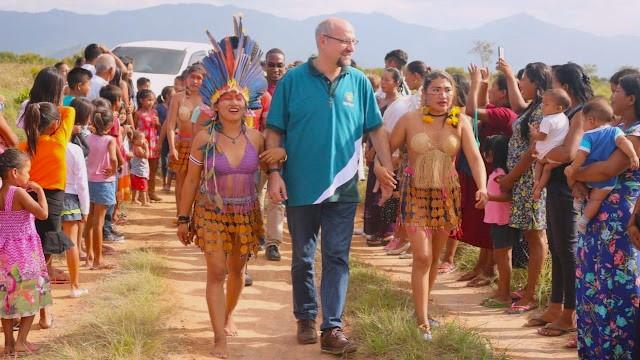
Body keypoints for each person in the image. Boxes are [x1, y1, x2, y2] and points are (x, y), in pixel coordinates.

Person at [266, 17, 395, 355]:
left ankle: (332, 327)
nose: (351, 47)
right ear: (323, 41)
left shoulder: (360, 82)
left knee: (338, 256)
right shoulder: (292, 81)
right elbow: (275, 131)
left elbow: (377, 130)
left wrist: (388, 170)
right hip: (299, 185)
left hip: (344, 186)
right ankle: (306, 316)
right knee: (304, 258)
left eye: (354, 41)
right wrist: (275, 174)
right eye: (345, 41)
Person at [176, 17, 271, 358]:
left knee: (237, 270)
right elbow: (190, 180)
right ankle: (219, 335)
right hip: (212, 211)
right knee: (216, 270)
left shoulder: (257, 139)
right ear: (214, 105)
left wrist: (278, 162)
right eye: (226, 97)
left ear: (248, 104)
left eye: (238, 98)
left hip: (245, 210)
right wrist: (183, 218)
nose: (233, 102)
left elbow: (271, 167)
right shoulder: (204, 138)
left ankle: (228, 314)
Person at [389, 70, 488, 340]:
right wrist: (382, 170)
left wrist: (482, 186)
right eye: (436, 90)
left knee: (434, 256)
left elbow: (475, 157)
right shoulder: (409, 120)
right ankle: (422, 324)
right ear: (424, 94)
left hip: (447, 194)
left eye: (447, 90)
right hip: (415, 193)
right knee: (422, 256)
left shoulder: (461, 121)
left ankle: (422, 310)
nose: (442, 95)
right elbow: (387, 149)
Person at [571, 73, 640, 359]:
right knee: (594, 283)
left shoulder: (635, 134)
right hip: (599, 217)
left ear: (631, 99)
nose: (611, 96)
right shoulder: (614, 127)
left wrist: (574, 173)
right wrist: (576, 175)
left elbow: (604, 171)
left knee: (619, 285)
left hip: (621, 220)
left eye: (617, 91)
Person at [496, 59, 551, 314]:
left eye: (524, 80)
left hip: (529, 179)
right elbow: (519, 106)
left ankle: (531, 294)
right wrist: (508, 74)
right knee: (530, 234)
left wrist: (510, 179)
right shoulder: (534, 108)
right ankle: (529, 288)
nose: (520, 83)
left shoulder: (542, 112)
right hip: (523, 180)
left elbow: (533, 151)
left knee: (536, 235)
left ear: (536, 84)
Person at [454, 64, 518, 280]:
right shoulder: (497, 111)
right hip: (488, 173)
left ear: (504, 93)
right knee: (486, 222)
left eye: (493, 90)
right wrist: (483, 84)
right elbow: (481, 106)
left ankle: (490, 270)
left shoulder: (504, 113)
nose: (490, 94)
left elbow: (472, 111)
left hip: (496, 174)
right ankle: (482, 266)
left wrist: (473, 84)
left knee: (493, 224)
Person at [19, 102, 75, 329]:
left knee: (27, 262)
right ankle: (45, 315)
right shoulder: (58, 140)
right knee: (44, 264)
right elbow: (70, 111)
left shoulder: (24, 146)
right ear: (54, 124)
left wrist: (36, 110)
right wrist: (49, 103)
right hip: (51, 205)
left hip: (27, 200)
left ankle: (26, 312)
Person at [0, 149, 52, 356]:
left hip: (4, 251)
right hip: (22, 252)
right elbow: (43, 214)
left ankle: (9, 344)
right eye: (27, 172)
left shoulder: (1, 192)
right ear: (14, 172)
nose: (29, 176)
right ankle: (22, 341)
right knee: (31, 294)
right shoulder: (18, 193)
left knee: (7, 297)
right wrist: (40, 192)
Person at [566, 98, 639, 231]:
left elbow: (582, 155)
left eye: (617, 92)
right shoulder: (615, 131)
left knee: (580, 185)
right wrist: (632, 155)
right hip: (608, 185)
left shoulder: (588, 136)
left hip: (612, 202)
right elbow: (624, 143)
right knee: (596, 200)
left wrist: (574, 170)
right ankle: (584, 220)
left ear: (591, 120)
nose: (613, 97)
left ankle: (578, 202)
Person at [364, 67, 403, 246]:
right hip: (374, 151)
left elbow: (392, 133)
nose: (384, 83)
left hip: (390, 153)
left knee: (389, 190)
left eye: (388, 80)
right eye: (383, 79)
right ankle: (373, 230)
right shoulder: (377, 100)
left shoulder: (399, 105)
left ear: (397, 83)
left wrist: (381, 151)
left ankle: (387, 231)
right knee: (374, 190)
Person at [61, 98, 92, 298]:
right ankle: (74, 285)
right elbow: (82, 183)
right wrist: (85, 209)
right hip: (71, 199)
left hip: (48, 198)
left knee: (47, 245)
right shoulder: (75, 150)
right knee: (71, 243)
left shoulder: (44, 146)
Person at [480, 135, 516, 307]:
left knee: (503, 257)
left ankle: (504, 293)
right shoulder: (496, 173)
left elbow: (508, 196)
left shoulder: (501, 174)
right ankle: (502, 289)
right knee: (500, 255)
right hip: (497, 219)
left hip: (503, 220)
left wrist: (489, 197)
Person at [167, 64, 205, 216]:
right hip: (182, 144)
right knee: (181, 181)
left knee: (199, 181)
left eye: (199, 78)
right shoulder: (178, 97)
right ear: (186, 79)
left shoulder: (208, 99)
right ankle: (181, 215)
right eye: (192, 77)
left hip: (201, 147)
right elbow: (170, 124)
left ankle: (195, 215)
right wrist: (172, 147)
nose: (195, 81)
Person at [85, 106, 118, 269]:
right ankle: (98, 260)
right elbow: (113, 158)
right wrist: (114, 168)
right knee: (99, 223)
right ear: (111, 124)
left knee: (89, 221)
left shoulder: (88, 138)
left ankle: (89, 256)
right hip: (104, 183)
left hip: (89, 181)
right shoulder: (110, 140)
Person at [135, 89, 161, 201]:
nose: (151, 102)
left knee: (153, 169)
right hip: (143, 144)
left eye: (153, 100)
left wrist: (158, 123)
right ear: (141, 100)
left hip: (153, 144)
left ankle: (151, 192)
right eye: (148, 100)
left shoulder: (154, 112)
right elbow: (135, 128)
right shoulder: (137, 113)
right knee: (142, 169)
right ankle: (141, 194)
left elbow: (159, 128)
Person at [157, 86, 176, 191]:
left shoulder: (176, 107)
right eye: (173, 94)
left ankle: (168, 183)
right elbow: (163, 125)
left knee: (172, 161)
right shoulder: (159, 108)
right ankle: (164, 182)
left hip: (174, 137)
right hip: (164, 138)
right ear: (167, 96)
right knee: (164, 161)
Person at [130, 131, 150, 206]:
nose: (144, 140)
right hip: (139, 172)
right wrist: (147, 147)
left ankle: (134, 200)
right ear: (135, 140)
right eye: (141, 139)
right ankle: (144, 201)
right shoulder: (138, 148)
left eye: (144, 138)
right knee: (143, 186)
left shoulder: (137, 147)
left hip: (136, 171)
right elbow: (146, 156)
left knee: (135, 187)